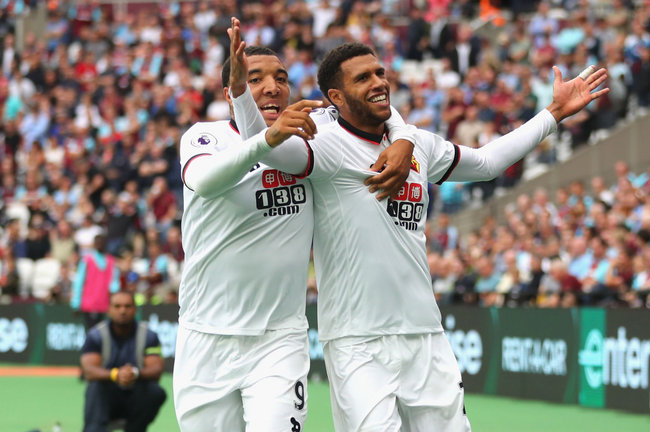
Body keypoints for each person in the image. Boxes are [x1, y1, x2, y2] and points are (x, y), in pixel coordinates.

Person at [232, 41, 608, 431]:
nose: (379, 82)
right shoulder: (325, 146)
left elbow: (487, 163)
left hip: (427, 335)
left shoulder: (419, 145)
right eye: (363, 78)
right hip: (357, 342)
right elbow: (268, 151)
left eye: (379, 72)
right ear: (336, 98)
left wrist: (554, 113)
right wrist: (242, 91)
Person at [172, 18, 414, 431]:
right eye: (255, 77)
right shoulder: (205, 137)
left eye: (281, 78)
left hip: (279, 340)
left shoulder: (311, 141)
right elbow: (204, 181)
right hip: (205, 336)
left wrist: (403, 136)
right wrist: (265, 141)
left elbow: (371, 110)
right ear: (231, 88)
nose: (272, 86)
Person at [80, 291, 166, 432]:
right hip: (105, 398)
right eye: (117, 306)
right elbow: (89, 371)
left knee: (155, 391)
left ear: (135, 310)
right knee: (95, 387)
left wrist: (135, 373)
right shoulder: (95, 335)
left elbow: (156, 369)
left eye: (127, 306)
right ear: (109, 310)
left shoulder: (149, 336)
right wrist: (116, 374)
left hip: (135, 395)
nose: (122, 311)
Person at [71, 234, 121, 330]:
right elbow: (79, 282)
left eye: (102, 242)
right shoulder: (87, 260)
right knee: (92, 333)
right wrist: (76, 303)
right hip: (89, 305)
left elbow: (114, 283)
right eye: (97, 242)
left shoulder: (111, 261)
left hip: (105, 305)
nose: (100, 245)